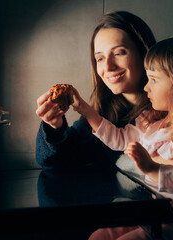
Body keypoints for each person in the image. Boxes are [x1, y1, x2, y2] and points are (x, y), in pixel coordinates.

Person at [72, 35, 173, 239]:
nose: (146, 87)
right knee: (99, 236)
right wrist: (86, 110)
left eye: (153, 79)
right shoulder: (153, 124)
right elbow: (119, 139)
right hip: (154, 213)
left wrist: (154, 169)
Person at [35, 11, 160, 171]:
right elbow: (51, 162)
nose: (108, 67)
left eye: (119, 53)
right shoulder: (100, 118)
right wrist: (54, 127)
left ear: (144, 53)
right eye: (100, 58)